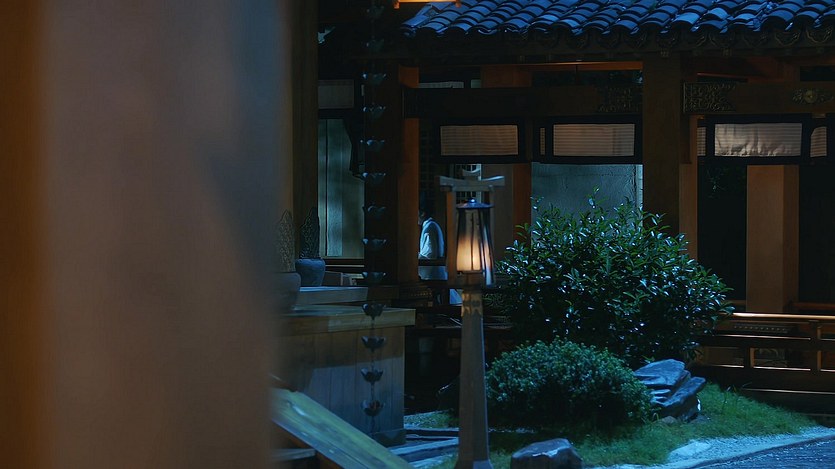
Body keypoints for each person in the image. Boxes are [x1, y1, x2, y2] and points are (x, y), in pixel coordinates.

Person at [418, 208, 462, 304]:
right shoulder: (432, 225)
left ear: (422, 213)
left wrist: (416, 257)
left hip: (433, 272)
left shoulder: (430, 227)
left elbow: (430, 253)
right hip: (435, 270)